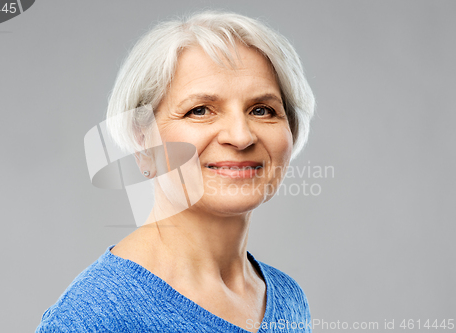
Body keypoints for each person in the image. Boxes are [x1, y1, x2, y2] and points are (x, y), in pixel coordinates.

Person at [36, 10, 315, 333]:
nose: (241, 136)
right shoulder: (91, 319)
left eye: (262, 110)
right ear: (142, 141)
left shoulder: (288, 300)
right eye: (200, 111)